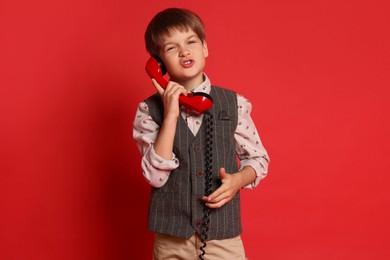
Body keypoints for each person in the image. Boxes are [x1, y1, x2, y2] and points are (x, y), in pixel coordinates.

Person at [133, 7, 270, 260]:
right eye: (171, 47)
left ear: (205, 48)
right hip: (171, 240)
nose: (184, 51)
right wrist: (171, 114)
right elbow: (155, 177)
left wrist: (238, 180)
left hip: (223, 238)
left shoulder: (234, 103)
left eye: (191, 41)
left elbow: (258, 159)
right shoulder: (148, 111)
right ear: (159, 64)